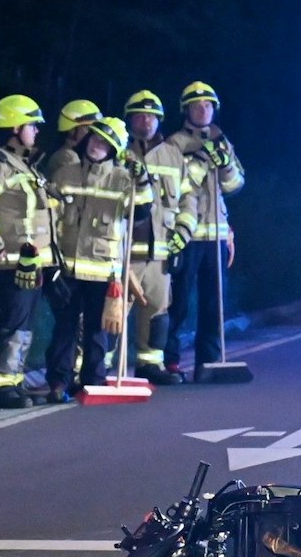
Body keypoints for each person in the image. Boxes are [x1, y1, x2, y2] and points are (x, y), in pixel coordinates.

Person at [0, 94, 57, 409]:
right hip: (4, 263)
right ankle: (1, 389)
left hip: (27, 263)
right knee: (8, 324)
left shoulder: (22, 162)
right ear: (16, 127)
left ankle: (13, 383)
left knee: (22, 324)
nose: (36, 131)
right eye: (32, 124)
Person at [45, 115, 135, 398]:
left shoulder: (123, 180)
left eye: (105, 142)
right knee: (64, 327)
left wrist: (141, 181)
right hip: (67, 268)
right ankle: (59, 382)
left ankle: (93, 381)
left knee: (98, 329)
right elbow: (48, 218)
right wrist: (49, 263)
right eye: (95, 138)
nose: (97, 145)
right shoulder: (65, 174)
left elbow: (141, 212)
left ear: (114, 150)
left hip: (102, 270)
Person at [164, 81, 244, 382]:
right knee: (179, 301)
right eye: (197, 105)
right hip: (187, 235)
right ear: (186, 110)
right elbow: (177, 188)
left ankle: (207, 362)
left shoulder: (223, 141)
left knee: (214, 303)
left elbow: (235, 185)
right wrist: (200, 162)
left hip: (217, 236)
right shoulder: (174, 145)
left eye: (208, 105)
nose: (203, 110)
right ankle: (169, 360)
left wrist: (224, 165)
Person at [121, 90, 193, 384]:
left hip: (160, 251)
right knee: (112, 312)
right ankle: (99, 370)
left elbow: (189, 201)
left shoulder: (173, 155)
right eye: (140, 115)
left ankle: (150, 366)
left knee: (157, 311)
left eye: (151, 116)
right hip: (125, 251)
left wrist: (183, 234)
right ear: (130, 120)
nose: (146, 121)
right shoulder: (119, 152)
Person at [44, 99, 102, 177]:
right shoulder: (67, 158)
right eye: (89, 129)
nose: (93, 135)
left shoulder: (77, 156)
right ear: (72, 130)